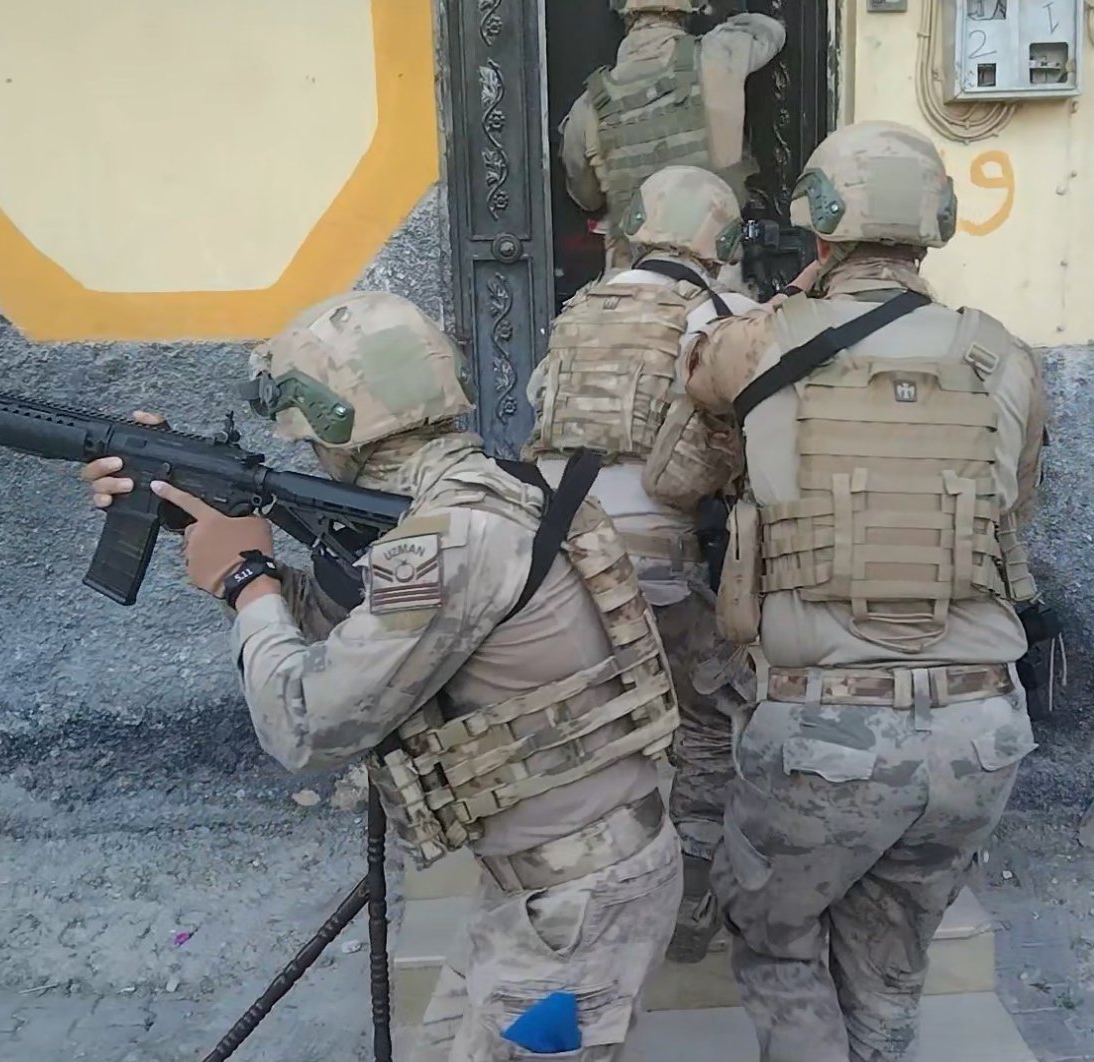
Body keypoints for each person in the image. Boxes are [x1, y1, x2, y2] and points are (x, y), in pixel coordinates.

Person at [81, 292, 682, 1060]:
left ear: (334, 424)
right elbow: (366, 644)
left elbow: (308, 723)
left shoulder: (448, 540)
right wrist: (197, 516)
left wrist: (248, 585)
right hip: (548, 892)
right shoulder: (490, 490)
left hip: (574, 910)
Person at [680, 120, 1048, 1061]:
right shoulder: (1002, 356)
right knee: (890, 962)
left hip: (824, 735)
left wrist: (797, 295)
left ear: (820, 230)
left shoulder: (763, 339)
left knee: (772, 936)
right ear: (935, 225)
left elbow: (697, 385)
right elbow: (1017, 504)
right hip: (978, 735)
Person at [523, 163, 760, 965]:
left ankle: (574, 898)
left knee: (592, 725)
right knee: (709, 720)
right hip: (658, 566)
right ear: (721, 238)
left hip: (556, 558)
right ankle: (691, 895)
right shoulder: (724, 313)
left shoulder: (580, 309)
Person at [560, 0, 786, 274]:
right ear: (687, 9)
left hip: (633, 283)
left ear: (624, 13)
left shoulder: (589, 106)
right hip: (714, 278)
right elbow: (771, 30)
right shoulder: (718, 53)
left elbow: (587, 198)